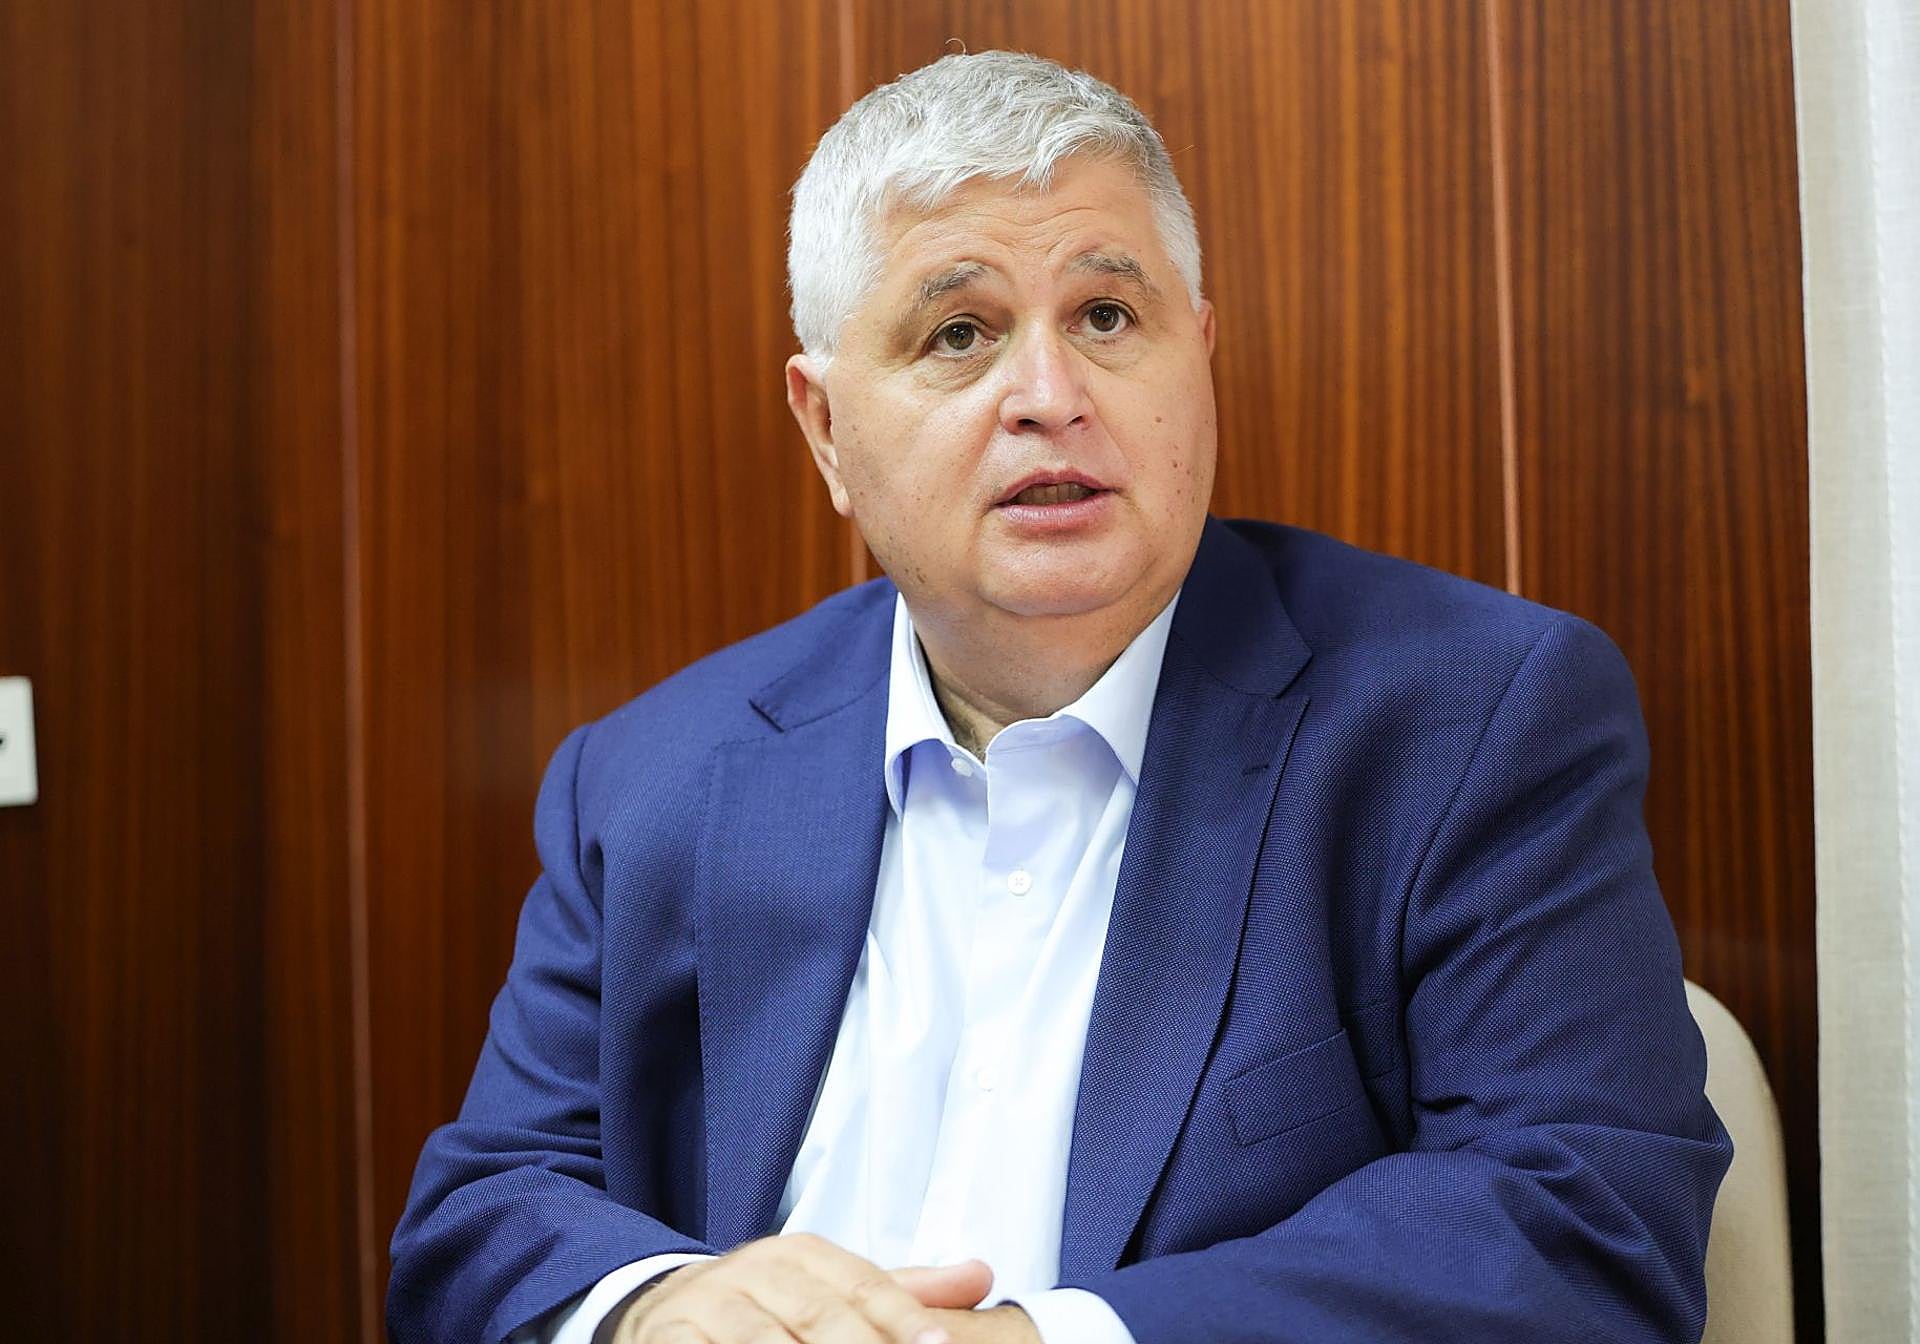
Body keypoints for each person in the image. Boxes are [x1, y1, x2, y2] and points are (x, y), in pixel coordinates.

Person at [388, 51, 1731, 1344]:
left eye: (1106, 316)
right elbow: (485, 1211)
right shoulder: (653, 777)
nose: (1050, 396)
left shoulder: (1471, 720)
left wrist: (1045, 1338)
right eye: (959, 333)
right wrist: (654, 1306)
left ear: (1198, 356)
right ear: (827, 428)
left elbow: (1583, 1221)